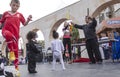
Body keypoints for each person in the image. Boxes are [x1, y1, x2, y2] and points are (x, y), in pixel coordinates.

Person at [0, 0, 32, 76]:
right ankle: (11, 52)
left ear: (19, 7)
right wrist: (0, 24)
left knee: (16, 53)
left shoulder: (19, 15)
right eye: (13, 5)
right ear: (10, 4)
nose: (15, 7)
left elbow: (24, 24)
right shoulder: (6, 13)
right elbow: (1, 21)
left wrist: (28, 20)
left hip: (15, 35)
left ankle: (16, 69)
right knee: (8, 35)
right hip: (6, 31)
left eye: (17, 6)